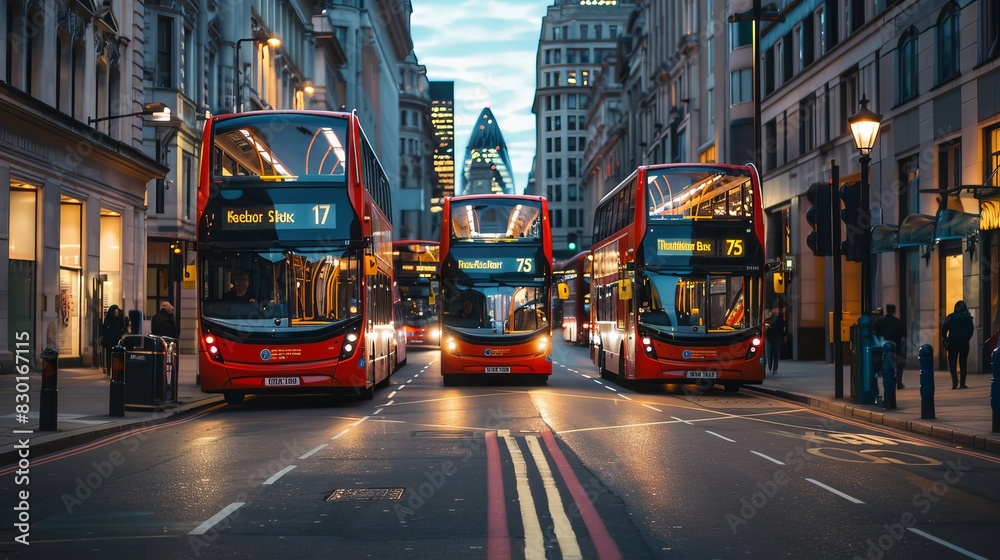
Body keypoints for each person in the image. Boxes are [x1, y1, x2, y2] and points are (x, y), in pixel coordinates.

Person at [941, 300, 975, 389]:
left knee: (952, 362)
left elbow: (944, 330)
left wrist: (945, 338)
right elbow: (971, 331)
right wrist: (966, 338)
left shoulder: (950, 317)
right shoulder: (968, 318)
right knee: (963, 362)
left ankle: (954, 382)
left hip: (953, 342)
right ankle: (962, 383)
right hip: (964, 342)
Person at [874, 303, 906, 389]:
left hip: (883, 344)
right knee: (900, 361)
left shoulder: (880, 321)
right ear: (894, 311)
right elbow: (903, 334)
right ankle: (899, 382)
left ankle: (883, 378)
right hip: (896, 344)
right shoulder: (898, 321)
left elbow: (875, 332)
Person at [100, 305, 128, 375]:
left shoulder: (118, 319)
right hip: (110, 340)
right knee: (110, 356)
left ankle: (114, 370)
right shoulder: (113, 319)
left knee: (114, 356)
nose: (116, 314)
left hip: (114, 340)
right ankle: (110, 370)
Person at [763, 308, 786, 375]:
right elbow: (782, 329)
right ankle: (774, 369)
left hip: (769, 339)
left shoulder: (766, 321)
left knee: (769, 354)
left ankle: (770, 368)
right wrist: (783, 337)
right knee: (775, 354)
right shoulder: (779, 320)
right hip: (776, 339)